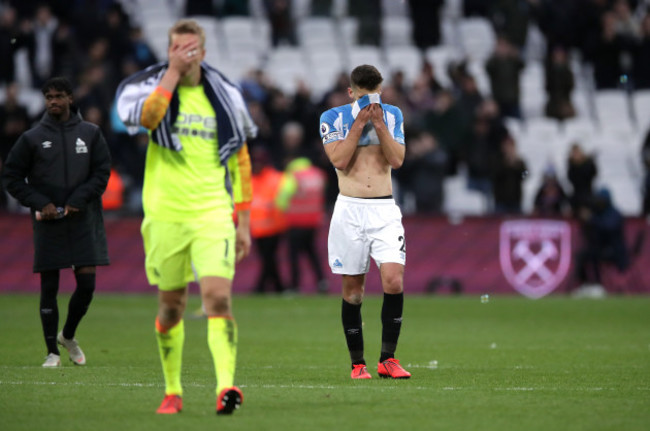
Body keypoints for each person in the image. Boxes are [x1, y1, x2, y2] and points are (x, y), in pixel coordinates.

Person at [115, 19, 257, 415]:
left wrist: (243, 220)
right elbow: (146, 120)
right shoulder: (153, 88)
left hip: (212, 212)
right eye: (177, 50)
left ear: (204, 53)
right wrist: (173, 74)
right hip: (165, 215)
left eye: (191, 49)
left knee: (217, 298)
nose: (184, 55)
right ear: (169, 51)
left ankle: (226, 388)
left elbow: (240, 157)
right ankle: (173, 391)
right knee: (171, 307)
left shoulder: (225, 95)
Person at [1, 77, 111, 367]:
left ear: (70, 99)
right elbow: (11, 177)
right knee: (49, 287)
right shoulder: (32, 138)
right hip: (48, 220)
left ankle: (68, 335)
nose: (53, 101)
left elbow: (101, 173)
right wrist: (40, 203)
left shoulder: (91, 134)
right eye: (48, 96)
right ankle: (52, 352)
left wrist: (79, 199)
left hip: (83, 218)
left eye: (59, 96)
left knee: (86, 285)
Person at [319, 64, 411, 380]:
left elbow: (397, 160)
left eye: (376, 94)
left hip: (384, 209)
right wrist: (359, 123)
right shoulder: (333, 118)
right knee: (353, 290)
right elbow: (340, 161)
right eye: (364, 95)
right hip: (350, 209)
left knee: (393, 280)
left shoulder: (392, 115)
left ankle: (388, 359)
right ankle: (358, 364)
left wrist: (380, 125)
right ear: (351, 93)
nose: (372, 101)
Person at [250, 146, 291, 294]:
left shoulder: (276, 178)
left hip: (274, 226)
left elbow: (282, 199)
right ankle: (278, 287)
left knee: (269, 258)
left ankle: (262, 288)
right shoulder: (250, 180)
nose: (256, 166)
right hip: (257, 228)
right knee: (268, 259)